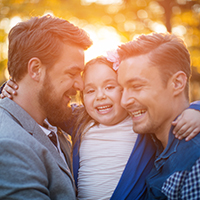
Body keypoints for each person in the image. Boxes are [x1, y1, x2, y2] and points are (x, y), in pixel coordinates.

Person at [2, 55, 200, 200]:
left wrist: (196, 109)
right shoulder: (80, 119)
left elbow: (168, 110)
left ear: (124, 90)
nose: (100, 96)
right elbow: (43, 105)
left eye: (110, 86)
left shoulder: (140, 122)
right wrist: (9, 88)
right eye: (90, 90)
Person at [0, 15, 92, 199]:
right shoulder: (10, 145)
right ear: (35, 69)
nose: (80, 85)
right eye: (72, 73)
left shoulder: (50, 120)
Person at [117, 32, 200, 199]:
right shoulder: (148, 143)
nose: (123, 101)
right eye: (121, 89)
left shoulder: (194, 163)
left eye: (137, 86)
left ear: (177, 83)